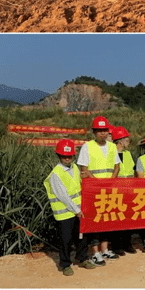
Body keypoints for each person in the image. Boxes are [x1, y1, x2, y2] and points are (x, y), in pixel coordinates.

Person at [44, 139, 97, 276]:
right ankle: (65, 264)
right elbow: (63, 196)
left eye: (69, 156)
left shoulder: (74, 167)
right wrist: (77, 210)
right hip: (65, 213)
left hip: (78, 210)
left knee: (81, 236)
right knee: (65, 240)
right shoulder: (56, 174)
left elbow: (78, 186)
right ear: (58, 156)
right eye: (64, 156)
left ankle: (82, 258)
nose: (67, 159)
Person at [77, 115, 121, 265]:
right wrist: (99, 184)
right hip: (94, 190)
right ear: (94, 132)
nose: (102, 133)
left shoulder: (112, 147)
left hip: (108, 190)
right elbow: (84, 169)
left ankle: (105, 249)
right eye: (99, 130)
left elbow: (117, 166)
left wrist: (111, 181)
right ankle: (95, 252)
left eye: (104, 130)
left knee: (107, 220)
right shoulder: (87, 147)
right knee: (95, 221)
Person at [112, 126, 136, 255]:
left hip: (128, 191)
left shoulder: (127, 154)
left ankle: (128, 243)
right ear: (120, 141)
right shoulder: (111, 153)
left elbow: (131, 172)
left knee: (128, 219)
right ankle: (117, 246)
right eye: (127, 140)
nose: (128, 142)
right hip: (116, 191)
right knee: (117, 219)